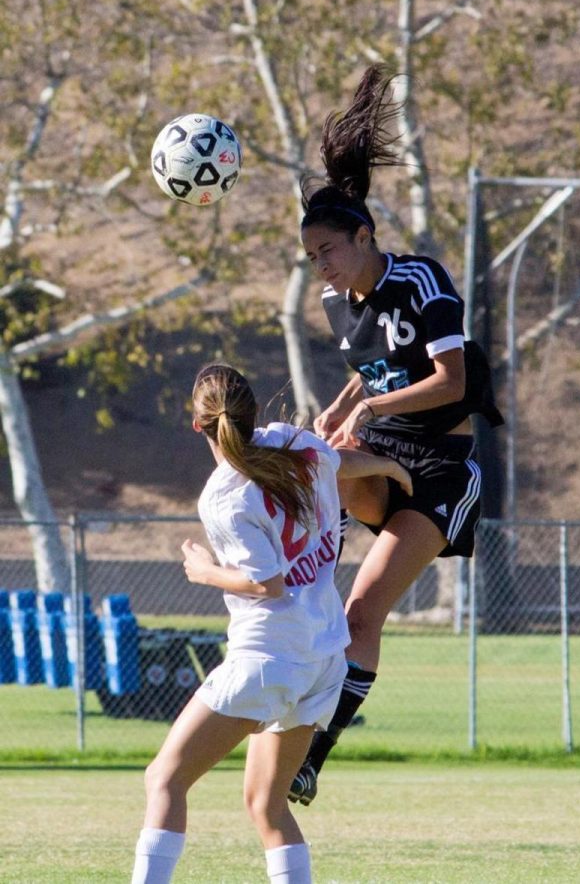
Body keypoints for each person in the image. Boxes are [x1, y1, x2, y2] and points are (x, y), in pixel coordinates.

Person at [288, 64, 503, 807]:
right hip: (390, 453)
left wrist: (371, 414)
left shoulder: (422, 281)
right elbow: (374, 367)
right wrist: (344, 401)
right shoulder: (333, 299)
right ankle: (281, 625)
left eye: (328, 252)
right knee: (312, 456)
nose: (321, 267)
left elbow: (452, 383)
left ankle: (315, 753)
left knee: (361, 614)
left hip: (441, 466)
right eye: (312, 257)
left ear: (363, 234)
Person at [130, 363, 412, 884]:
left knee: (164, 779)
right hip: (323, 662)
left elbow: (268, 584)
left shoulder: (223, 495)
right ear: (254, 412)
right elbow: (336, 463)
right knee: (268, 805)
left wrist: (205, 571)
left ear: (198, 425)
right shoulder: (291, 442)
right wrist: (387, 467)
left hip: (267, 659)